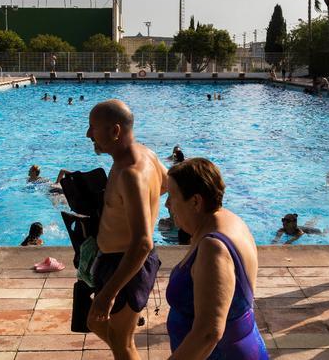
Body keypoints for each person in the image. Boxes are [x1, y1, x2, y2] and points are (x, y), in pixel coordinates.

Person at [85, 99, 167, 359]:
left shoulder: (130, 173)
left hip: (127, 263)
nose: (88, 134)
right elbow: (167, 184)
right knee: (96, 323)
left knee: (123, 343)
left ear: (115, 131)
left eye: (93, 128)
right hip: (117, 260)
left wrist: (109, 292)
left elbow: (143, 243)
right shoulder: (146, 154)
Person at [164, 157, 268, 358]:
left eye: (172, 196)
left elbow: (208, 333)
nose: (167, 204)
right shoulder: (228, 221)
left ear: (195, 201)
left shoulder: (213, 249)